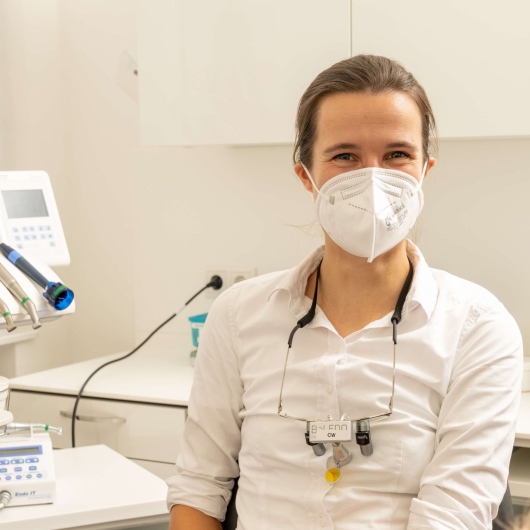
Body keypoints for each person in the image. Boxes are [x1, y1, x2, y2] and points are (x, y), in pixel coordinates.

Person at [166, 55, 523, 529]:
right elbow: (199, 487)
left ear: (424, 171)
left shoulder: (478, 327)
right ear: (306, 175)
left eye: (397, 155)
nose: (372, 179)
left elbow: (453, 514)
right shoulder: (238, 315)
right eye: (345, 156)